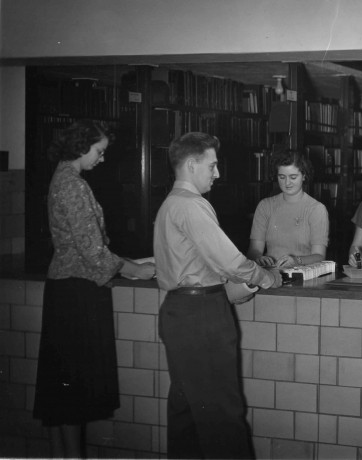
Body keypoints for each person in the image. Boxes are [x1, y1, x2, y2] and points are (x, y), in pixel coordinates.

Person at [153, 132, 283, 459]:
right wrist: (267, 278)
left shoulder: (170, 204)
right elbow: (230, 261)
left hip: (178, 311)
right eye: (212, 165)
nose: (217, 173)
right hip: (202, 315)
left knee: (187, 415)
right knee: (223, 414)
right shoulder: (193, 205)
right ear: (192, 164)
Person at [33, 120, 155, 458]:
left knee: (60, 396)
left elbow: (86, 247)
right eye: (99, 151)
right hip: (77, 294)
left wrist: (125, 263)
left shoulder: (62, 179)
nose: (102, 159)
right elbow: (93, 251)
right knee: (72, 394)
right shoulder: (73, 185)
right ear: (80, 146)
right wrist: (136, 270)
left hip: (66, 290)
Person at [246, 149, 329, 268]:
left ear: (304, 176)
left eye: (293, 177)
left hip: (304, 276)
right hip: (270, 274)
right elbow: (254, 250)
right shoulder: (265, 206)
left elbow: (320, 256)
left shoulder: (316, 209)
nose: (287, 183)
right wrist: (259, 258)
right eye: (282, 177)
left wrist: (296, 260)